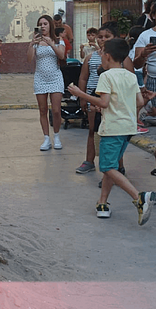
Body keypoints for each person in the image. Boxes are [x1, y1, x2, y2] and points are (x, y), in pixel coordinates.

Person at [68, 38, 155, 224]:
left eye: (101, 54)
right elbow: (139, 103)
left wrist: (80, 94)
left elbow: (104, 102)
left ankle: (139, 197)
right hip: (127, 129)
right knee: (112, 166)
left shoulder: (106, 76)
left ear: (107, 56)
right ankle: (102, 203)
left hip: (112, 129)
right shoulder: (131, 76)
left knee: (107, 167)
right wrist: (148, 98)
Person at [76, 23, 136, 173]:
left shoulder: (123, 59)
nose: (103, 40)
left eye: (107, 37)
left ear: (114, 38)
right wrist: (84, 98)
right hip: (93, 99)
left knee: (115, 136)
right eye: (100, 37)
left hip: (114, 102)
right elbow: (83, 78)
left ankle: (117, 166)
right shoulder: (91, 57)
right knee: (93, 130)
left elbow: (130, 79)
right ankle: (89, 161)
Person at [28, 15, 66, 151]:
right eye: (40, 24)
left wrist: (50, 43)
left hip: (55, 77)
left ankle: (56, 136)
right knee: (43, 110)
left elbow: (61, 55)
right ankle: (46, 138)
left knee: (56, 110)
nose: (43, 26)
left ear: (50, 25)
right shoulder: (36, 42)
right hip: (40, 78)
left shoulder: (58, 40)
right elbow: (29, 59)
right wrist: (32, 44)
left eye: (45, 24)